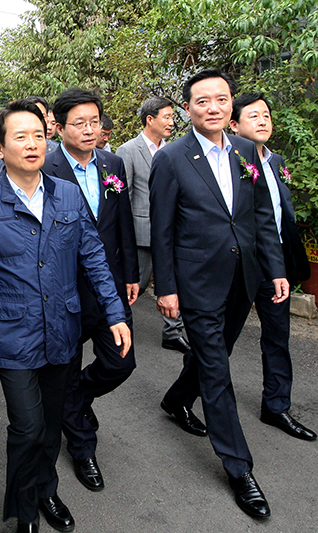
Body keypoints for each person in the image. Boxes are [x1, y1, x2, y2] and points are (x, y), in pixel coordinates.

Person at [0, 98, 131, 533]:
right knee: (28, 427)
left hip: (64, 330)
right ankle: (25, 510)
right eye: (20, 136)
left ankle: (46, 490)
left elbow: (93, 257)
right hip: (13, 334)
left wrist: (115, 312)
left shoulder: (67, 193)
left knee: (51, 426)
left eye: (39, 135)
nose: (32, 144)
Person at [151, 69, 287, 518]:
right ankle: (239, 467)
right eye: (202, 100)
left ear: (231, 104)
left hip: (243, 278)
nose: (213, 107)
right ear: (188, 107)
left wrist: (275, 270)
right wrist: (166, 288)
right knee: (216, 370)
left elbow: (260, 217)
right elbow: (163, 230)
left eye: (221, 99)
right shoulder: (171, 158)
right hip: (197, 282)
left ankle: (174, 400)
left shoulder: (248, 150)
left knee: (217, 355)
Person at [42, 88, 139, 493]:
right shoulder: (44, 167)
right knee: (63, 367)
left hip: (108, 284)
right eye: (78, 123)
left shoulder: (112, 162)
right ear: (59, 127)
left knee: (121, 362)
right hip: (63, 289)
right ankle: (83, 449)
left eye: (94, 122)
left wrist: (131, 273)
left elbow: (123, 223)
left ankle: (74, 401)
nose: (88, 130)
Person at [229, 93, 315, 441]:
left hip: (276, 261)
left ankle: (276, 405)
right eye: (254, 116)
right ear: (234, 125)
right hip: (240, 263)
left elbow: (280, 214)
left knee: (278, 336)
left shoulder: (276, 160)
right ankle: (180, 397)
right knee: (221, 338)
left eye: (266, 115)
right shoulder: (228, 162)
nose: (263, 120)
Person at [115, 97, 190, 353]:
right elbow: (122, 198)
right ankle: (115, 324)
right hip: (142, 233)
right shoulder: (128, 150)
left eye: (172, 117)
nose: (172, 122)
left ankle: (173, 331)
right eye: (167, 117)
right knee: (136, 285)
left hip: (173, 232)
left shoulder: (174, 151)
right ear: (150, 120)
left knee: (173, 283)